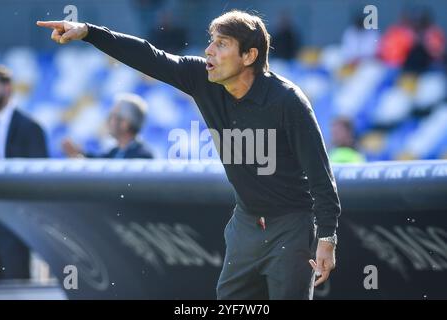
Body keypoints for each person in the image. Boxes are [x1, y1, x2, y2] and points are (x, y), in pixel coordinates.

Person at [37, 10, 341, 300]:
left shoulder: (288, 101)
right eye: (211, 40)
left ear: (249, 56)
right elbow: (149, 56)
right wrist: (90, 32)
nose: (209, 50)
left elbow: (320, 174)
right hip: (246, 221)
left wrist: (327, 237)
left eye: (221, 44)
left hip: (291, 225)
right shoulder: (202, 78)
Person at [0, 65, 48, 280]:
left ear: (7, 88)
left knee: (16, 284)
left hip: (16, 224)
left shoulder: (30, 127)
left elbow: (40, 177)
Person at [62, 93, 154, 159]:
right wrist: (78, 153)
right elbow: (98, 163)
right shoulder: (115, 152)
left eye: (112, 116)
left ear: (124, 123)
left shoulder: (142, 156)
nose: (107, 121)